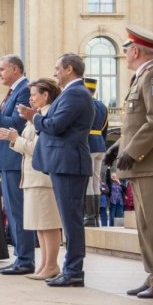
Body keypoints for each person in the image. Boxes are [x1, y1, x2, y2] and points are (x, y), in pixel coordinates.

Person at [106, 26, 153, 299]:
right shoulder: (140, 78)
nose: (124, 54)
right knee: (146, 226)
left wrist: (132, 151)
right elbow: (134, 125)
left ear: (136, 51)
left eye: (126, 50)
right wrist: (118, 147)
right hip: (142, 164)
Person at [18, 52, 95, 288]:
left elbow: (56, 125)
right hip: (63, 163)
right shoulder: (73, 93)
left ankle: (73, 271)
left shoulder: (76, 93)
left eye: (57, 68)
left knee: (71, 221)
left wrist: (35, 118)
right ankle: (71, 269)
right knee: (69, 219)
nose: (55, 73)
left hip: (69, 163)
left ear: (69, 69)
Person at [0, 78, 63, 280]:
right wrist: (15, 139)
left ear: (46, 95)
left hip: (41, 177)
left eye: (34, 95)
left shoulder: (47, 115)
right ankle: (44, 264)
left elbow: (39, 149)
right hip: (32, 177)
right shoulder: (38, 116)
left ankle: (51, 264)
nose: (31, 99)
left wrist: (15, 139)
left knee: (47, 223)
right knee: (39, 224)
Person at [0, 54, 35, 274]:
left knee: (18, 211)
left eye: (2, 69)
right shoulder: (13, 92)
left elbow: (16, 124)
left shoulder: (24, 90)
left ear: (15, 69)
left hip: (14, 157)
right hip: (6, 158)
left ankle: (25, 259)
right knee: (12, 211)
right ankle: (21, 256)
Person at [82, 77, 109, 227]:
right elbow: (105, 128)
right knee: (96, 181)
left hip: (88, 144)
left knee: (89, 182)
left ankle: (90, 216)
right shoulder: (102, 106)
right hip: (100, 145)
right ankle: (96, 217)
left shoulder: (85, 105)